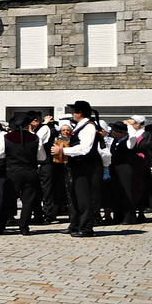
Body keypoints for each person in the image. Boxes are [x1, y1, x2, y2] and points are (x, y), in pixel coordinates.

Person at [51, 100, 104, 238]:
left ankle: (86, 227)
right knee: (75, 197)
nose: (73, 114)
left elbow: (85, 148)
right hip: (77, 165)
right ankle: (76, 223)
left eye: (74, 111)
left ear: (80, 113)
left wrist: (62, 150)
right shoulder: (80, 126)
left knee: (84, 197)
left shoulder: (88, 127)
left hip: (85, 166)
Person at [2, 115, 46, 235]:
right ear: (28, 125)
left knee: (8, 199)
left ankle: (1, 224)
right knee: (28, 201)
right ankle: (24, 226)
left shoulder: (6, 137)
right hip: (30, 171)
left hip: (13, 171)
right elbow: (42, 157)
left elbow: (1, 153)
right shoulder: (35, 138)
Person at [27, 112, 58, 224]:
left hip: (45, 163)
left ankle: (48, 215)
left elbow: (37, 140)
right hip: (35, 164)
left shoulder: (44, 128)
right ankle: (37, 214)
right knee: (35, 190)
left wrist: (44, 123)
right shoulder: (32, 131)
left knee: (46, 190)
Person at [108, 121, 142, 224]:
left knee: (127, 191)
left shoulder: (128, 141)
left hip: (125, 168)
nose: (113, 133)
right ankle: (118, 216)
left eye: (115, 131)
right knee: (117, 192)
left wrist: (129, 127)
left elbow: (132, 139)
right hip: (115, 167)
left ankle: (129, 216)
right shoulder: (115, 141)